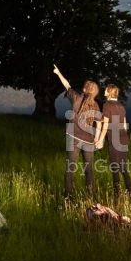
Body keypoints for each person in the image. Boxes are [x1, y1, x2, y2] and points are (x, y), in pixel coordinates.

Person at [53, 64, 99, 199]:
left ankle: (68, 196)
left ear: (85, 89)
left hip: (73, 137)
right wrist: (98, 137)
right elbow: (99, 122)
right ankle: (91, 196)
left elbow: (67, 85)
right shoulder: (96, 105)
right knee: (89, 169)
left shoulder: (76, 98)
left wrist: (58, 73)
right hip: (89, 140)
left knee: (71, 167)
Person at [95, 85, 131, 194]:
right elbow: (125, 124)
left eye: (106, 90)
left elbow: (106, 126)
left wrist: (100, 140)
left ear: (109, 92)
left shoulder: (107, 105)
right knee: (123, 168)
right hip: (124, 139)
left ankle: (117, 196)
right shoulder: (121, 106)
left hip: (114, 140)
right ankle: (130, 193)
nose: (104, 91)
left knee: (115, 168)